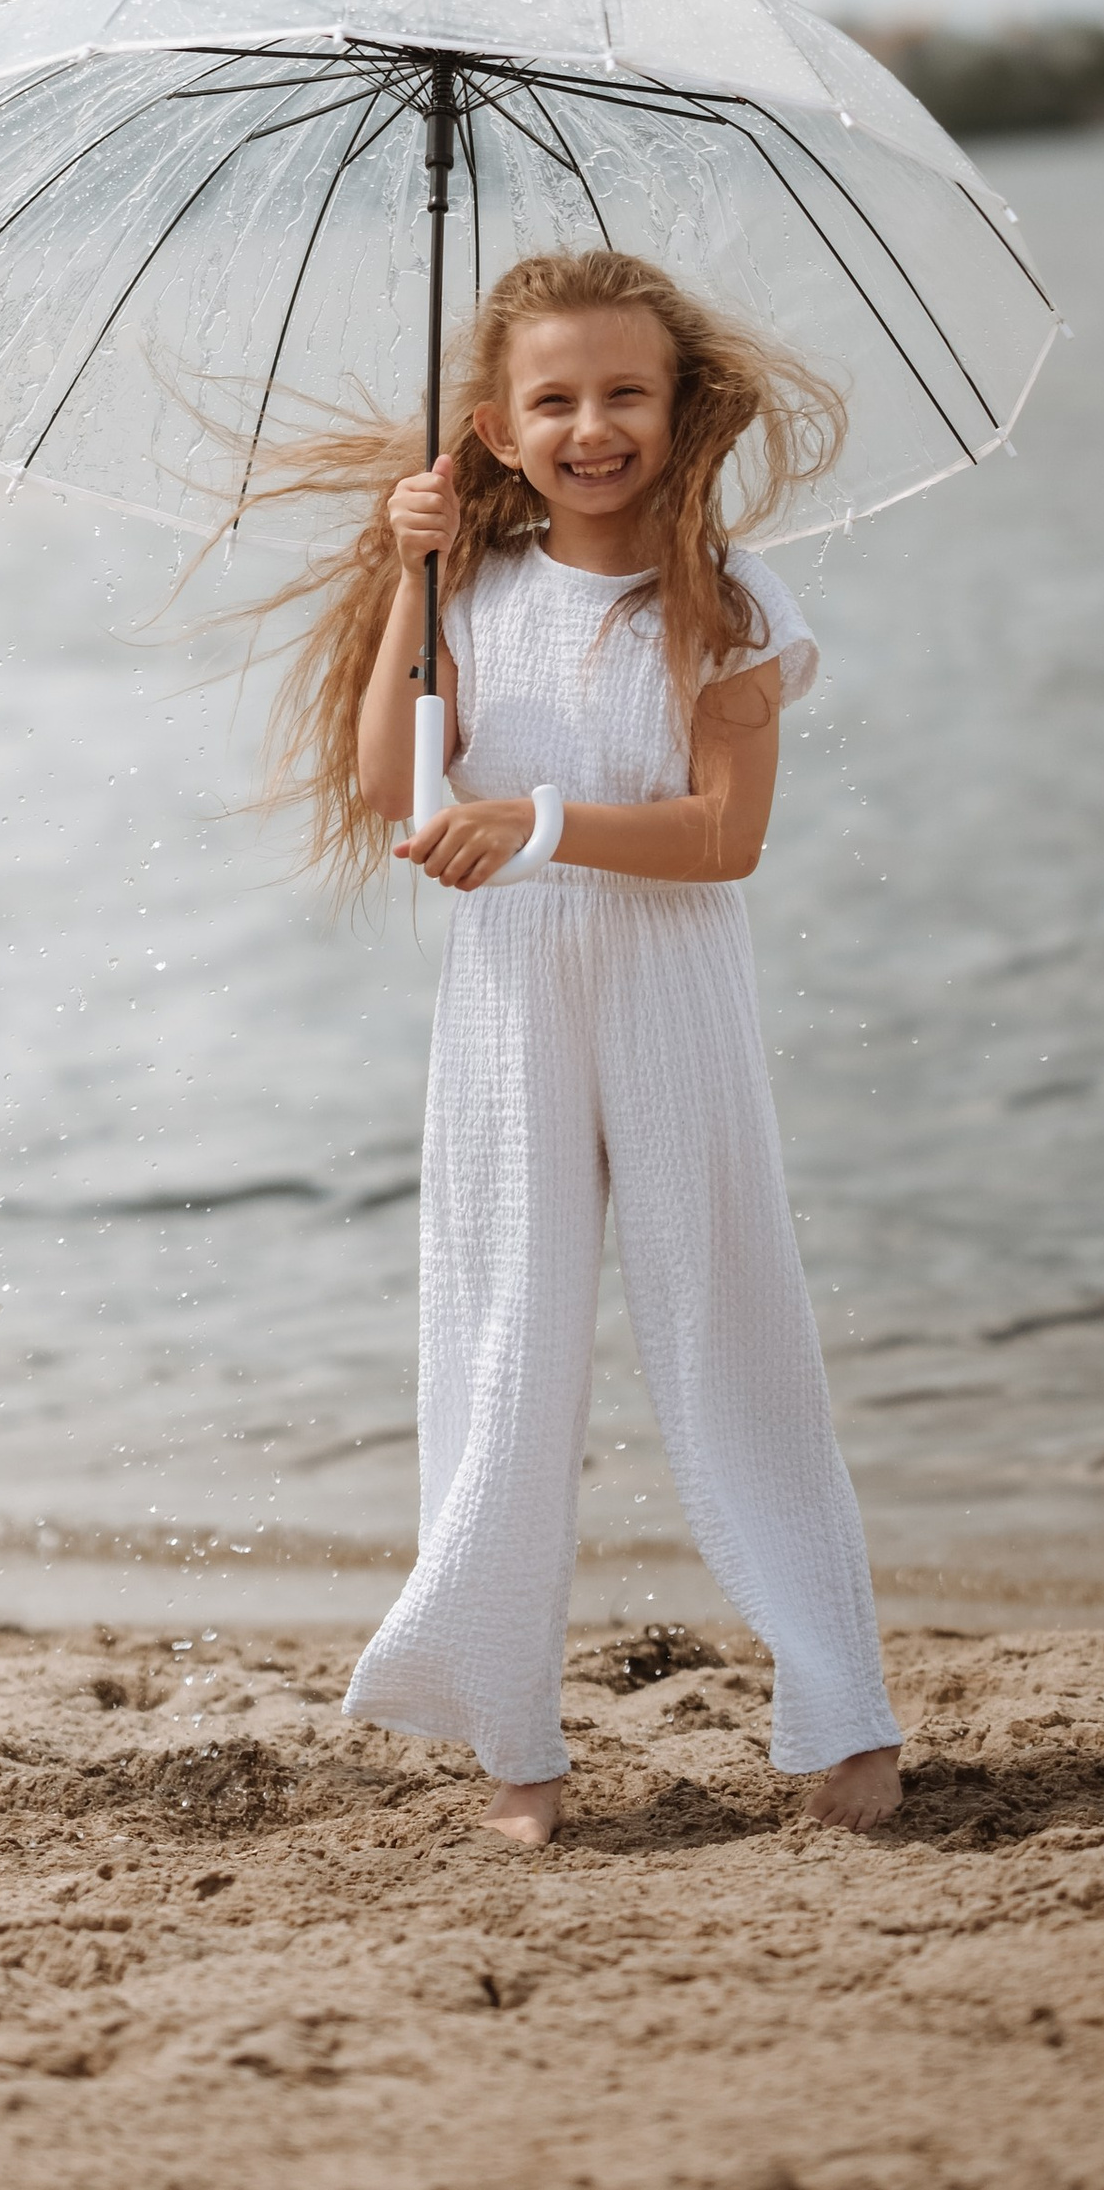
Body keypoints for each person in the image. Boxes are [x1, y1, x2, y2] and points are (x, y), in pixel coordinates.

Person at [255, 246, 902, 1847]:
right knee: (500, 1347)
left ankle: (849, 1729)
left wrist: (534, 824)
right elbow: (400, 790)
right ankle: (516, 1758)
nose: (592, 424)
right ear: (493, 426)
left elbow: (724, 838)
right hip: (506, 1006)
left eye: (626, 392)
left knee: (733, 1331)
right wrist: (401, 575)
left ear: (681, 413)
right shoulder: (464, 591)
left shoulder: (731, 606)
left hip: (675, 989)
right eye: (555, 398)